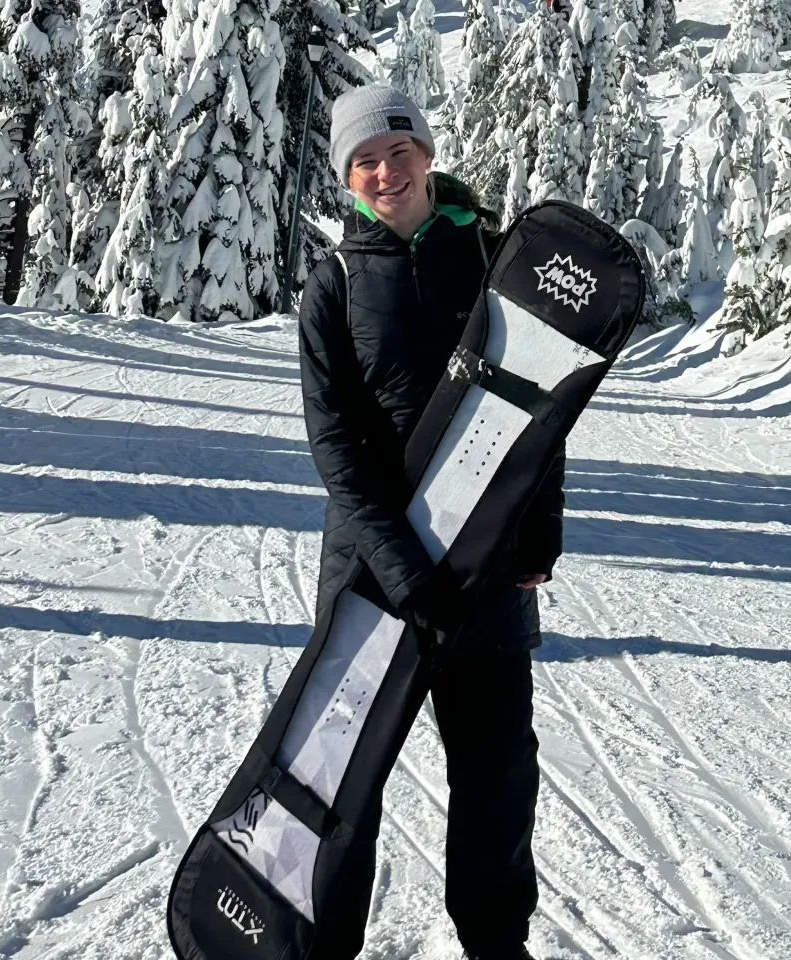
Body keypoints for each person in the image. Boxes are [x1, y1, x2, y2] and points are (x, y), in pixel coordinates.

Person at [297, 84, 566, 960]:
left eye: (399, 152)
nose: (386, 172)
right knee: (344, 783)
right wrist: (403, 568)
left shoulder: (492, 260)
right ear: (347, 178)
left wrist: (540, 528)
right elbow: (336, 447)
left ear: (427, 154)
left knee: (498, 778)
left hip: (484, 568)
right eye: (365, 162)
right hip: (372, 577)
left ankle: (497, 945)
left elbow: (542, 406)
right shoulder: (334, 285)